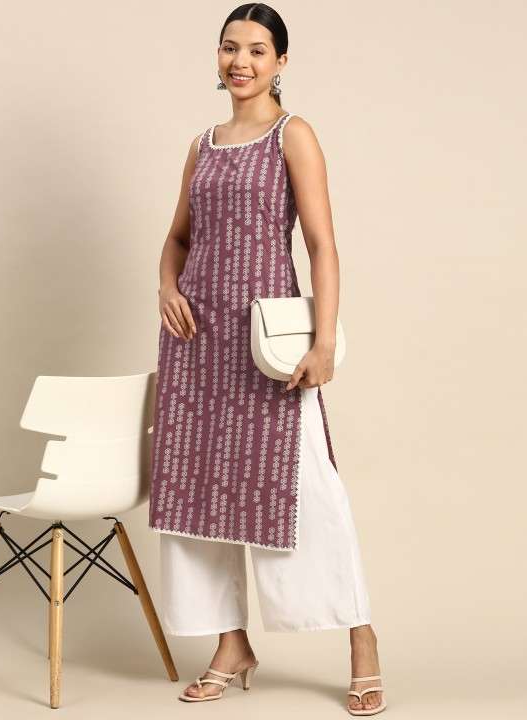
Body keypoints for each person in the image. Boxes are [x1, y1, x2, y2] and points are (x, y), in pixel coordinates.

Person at [149, 3, 387, 714]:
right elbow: (178, 238)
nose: (241, 61)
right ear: (217, 56)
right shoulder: (202, 144)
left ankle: (362, 640)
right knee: (199, 493)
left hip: (266, 343)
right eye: (230, 48)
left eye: (257, 50)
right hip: (196, 344)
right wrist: (166, 287)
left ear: (281, 61)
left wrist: (323, 340)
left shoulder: (294, 134)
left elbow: (321, 244)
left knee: (306, 489)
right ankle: (231, 644)